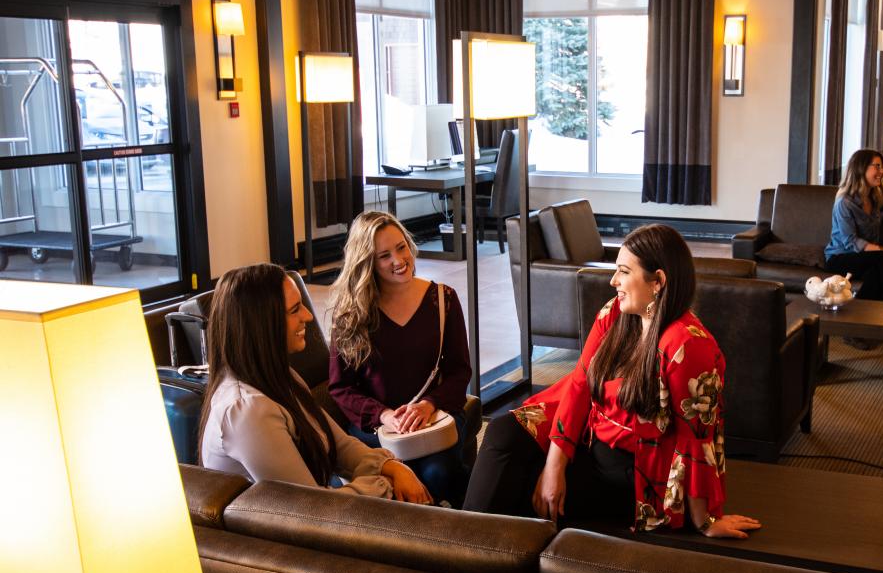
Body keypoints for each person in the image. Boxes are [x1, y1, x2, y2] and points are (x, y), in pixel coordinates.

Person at [463, 223, 761, 539]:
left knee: (515, 483)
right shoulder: (616, 313)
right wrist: (555, 467)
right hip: (591, 439)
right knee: (502, 430)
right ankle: (453, 542)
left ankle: (465, 554)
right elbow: (579, 383)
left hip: (630, 475)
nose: (613, 280)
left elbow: (697, 439)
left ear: (658, 281)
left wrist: (706, 521)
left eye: (623, 271)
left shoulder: (687, 345)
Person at [200, 262, 431, 503]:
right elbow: (312, 508)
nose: (308, 316)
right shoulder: (247, 411)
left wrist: (392, 467)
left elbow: (340, 446)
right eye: (294, 310)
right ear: (261, 324)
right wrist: (385, 483)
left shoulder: (282, 377)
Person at [328, 211, 473, 506]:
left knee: (437, 473)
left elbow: (460, 371)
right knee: (399, 475)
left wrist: (428, 405)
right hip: (377, 426)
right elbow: (341, 388)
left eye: (401, 247)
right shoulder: (350, 315)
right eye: (384, 256)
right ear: (367, 263)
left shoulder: (442, 299)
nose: (398, 260)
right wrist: (385, 415)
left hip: (437, 415)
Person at [824, 149, 883, 303]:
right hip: (840, 257)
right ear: (861, 168)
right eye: (876, 166)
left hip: (867, 258)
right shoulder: (844, 203)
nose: (882, 171)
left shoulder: (872, 197)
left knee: (876, 274)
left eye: (882, 167)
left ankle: (857, 311)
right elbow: (850, 241)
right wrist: (882, 251)